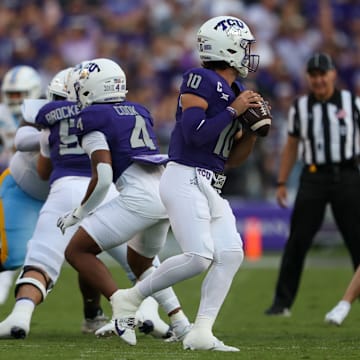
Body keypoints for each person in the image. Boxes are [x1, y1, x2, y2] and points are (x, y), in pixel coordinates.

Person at [69, 16, 264, 352]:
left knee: (231, 253)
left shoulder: (236, 91)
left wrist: (255, 132)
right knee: (199, 257)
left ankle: (201, 331)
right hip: (184, 175)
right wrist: (233, 111)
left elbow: (231, 159)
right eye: (244, 46)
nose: (248, 54)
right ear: (226, 47)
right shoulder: (199, 79)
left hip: (210, 182)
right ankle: (129, 299)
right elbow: (194, 132)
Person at [0, 67, 170, 339]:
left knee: (42, 260)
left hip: (62, 189)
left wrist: (48, 136)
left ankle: (20, 316)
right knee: (137, 259)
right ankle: (161, 315)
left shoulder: (55, 118)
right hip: (70, 191)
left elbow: (39, 162)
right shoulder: (105, 116)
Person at [57, 57, 190, 346]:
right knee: (141, 263)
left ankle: (121, 308)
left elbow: (103, 176)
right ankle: (180, 323)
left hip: (140, 196)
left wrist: (79, 213)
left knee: (77, 251)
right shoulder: (138, 110)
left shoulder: (93, 119)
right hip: (165, 192)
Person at [265, 52, 360, 316]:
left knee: (357, 240)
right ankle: (281, 302)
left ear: (333, 74)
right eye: (313, 75)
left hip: (348, 175)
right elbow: (292, 145)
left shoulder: (353, 103)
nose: (318, 80)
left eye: (322, 74)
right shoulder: (300, 107)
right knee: (298, 240)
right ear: (308, 77)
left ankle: (353, 297)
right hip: (314, 176)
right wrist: (282, 181)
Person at [0, 65, 45, 305]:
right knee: (11, 245)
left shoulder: (43, 112)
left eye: (20, 93)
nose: (15, 99)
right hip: (14, 182)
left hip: (43, 183)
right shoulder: (2, 115)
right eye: (12, 94)